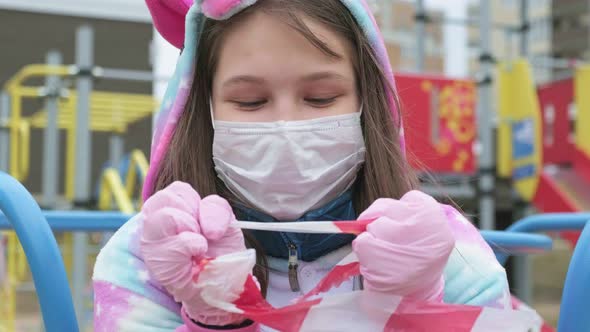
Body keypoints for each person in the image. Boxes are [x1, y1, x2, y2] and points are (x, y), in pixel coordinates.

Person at [93, 0, 511, 331]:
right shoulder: (147, 258)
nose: (286, 126)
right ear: (203, 110)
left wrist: (418, 311)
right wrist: (213, 320)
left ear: (368, 102)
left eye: (322, 97)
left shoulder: (446, 253)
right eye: (250, 102)